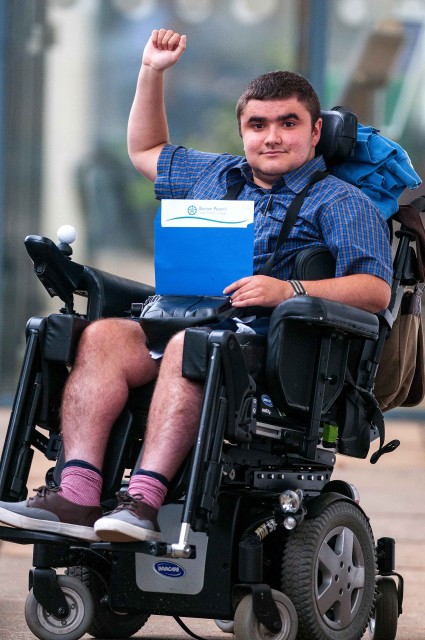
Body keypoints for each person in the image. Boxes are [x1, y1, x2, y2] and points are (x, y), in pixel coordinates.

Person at [0, 29, 392, 543]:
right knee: (103, 337)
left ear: (315, 132)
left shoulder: (340, 202)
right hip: (180, 321)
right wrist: (152, 71)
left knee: (193, 347)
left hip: (272, 353)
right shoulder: (216, 175)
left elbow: (375, 291)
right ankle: (76, 494)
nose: (271, 136)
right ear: (243, 132)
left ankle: (141, 502)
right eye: (258, 125)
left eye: (287, 123)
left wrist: (288, 290)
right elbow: (145, 149)